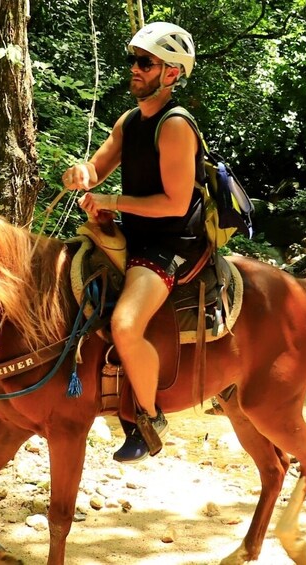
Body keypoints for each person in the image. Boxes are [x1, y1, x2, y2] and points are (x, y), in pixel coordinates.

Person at [61, 22, 207, 463]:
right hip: (138, 231)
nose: (135, 69)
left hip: (173, 239)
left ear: (172, 74)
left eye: (146, 62)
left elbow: (176, 202)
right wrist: (82, 175)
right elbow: (98, 166)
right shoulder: (129, 121)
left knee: (125, 323)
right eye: (134, 61)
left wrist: (111, 199)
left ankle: (148, 417)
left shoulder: (175, 125)